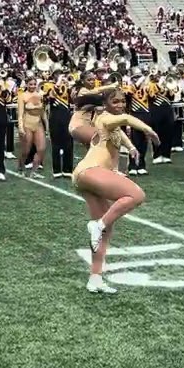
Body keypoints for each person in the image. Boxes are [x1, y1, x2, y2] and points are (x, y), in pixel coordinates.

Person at [73, 88, 159, 294]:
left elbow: (119, 133)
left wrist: (130, 148)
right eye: (115, 102)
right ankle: (97, 225)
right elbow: (127, 119)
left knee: (106, 231)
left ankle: (95, 278)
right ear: (105, 104)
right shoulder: (104, 118)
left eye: (122, 101)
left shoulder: (110, 123)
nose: (120, 105)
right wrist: (149, 130)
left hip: (86, 176)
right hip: (90, 171)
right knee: (136, 195)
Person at [16, 76, 47, 177]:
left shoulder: (40, 95)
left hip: (38, 124)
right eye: (30, 84)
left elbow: (43, 113)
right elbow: (20, 114)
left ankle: (34, 171)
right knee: (26, 150)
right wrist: (20, 127)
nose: (33, 86)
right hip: (27, 124)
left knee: (41, 149)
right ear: (26, 84)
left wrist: (47, 125)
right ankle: (21, 167)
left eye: (34, 84)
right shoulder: (22, 96)